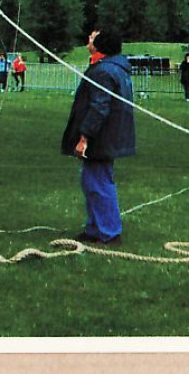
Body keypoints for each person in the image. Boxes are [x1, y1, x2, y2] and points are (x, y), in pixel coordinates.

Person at [61, 27, 136, 246]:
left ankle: (109, 233)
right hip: (109, 135)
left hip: (102, 137)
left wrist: (84, 137)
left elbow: (99, 107)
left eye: (93, 38)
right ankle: (95, 228)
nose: (89, 40)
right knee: (92, 181)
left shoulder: (103, 71)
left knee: (99, 182)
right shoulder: (113, 68)